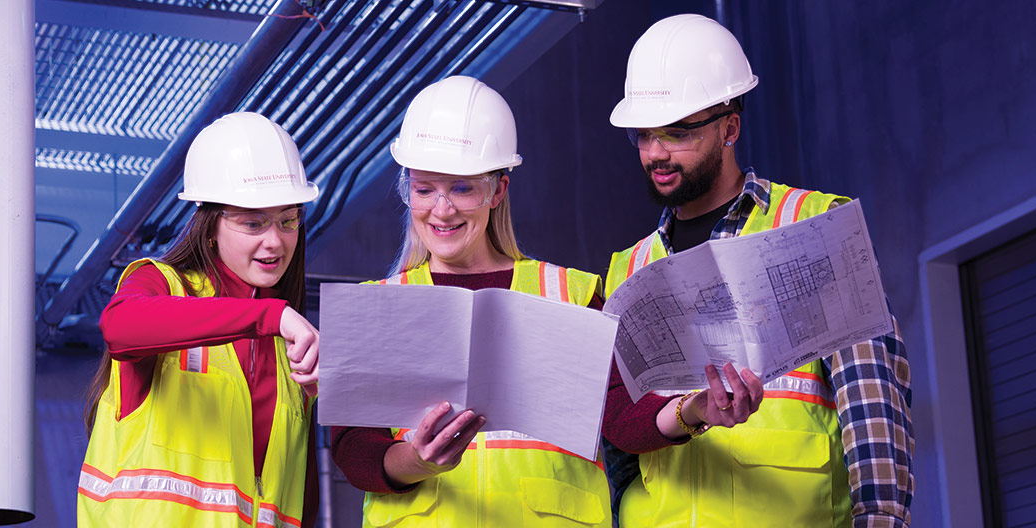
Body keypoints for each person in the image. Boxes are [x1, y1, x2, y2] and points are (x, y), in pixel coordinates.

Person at [600, 14, 915, 528]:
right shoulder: (628, 269)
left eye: (677, 132)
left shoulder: (811, 225)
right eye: (643, 134)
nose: (655, 152)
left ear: (730, 127)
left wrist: (880, 518)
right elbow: (620, 450)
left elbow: (871, 397)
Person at [329, 75, 616, 527]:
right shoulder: (379, 306)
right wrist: (418, 460)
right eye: (424, 189)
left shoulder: (571, 296)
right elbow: (351, 451)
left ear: (497, 191)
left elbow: (622, 420)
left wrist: (690, 412)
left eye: (462, 188)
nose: (442, 210)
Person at [76, 112, 323, 527]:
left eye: (287, 219)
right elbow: (120, 327)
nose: (275, 240)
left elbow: (302, 503)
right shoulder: (161, 283)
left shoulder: (289, 349)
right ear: (210, 225)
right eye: (253, 222)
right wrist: (271, 314)